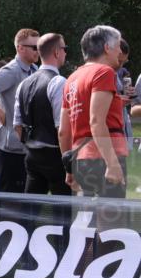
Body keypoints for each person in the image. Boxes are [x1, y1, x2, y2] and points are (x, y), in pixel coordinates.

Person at [59, 25, 128, 198]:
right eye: (118, 46)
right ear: (107, 47)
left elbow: (63, 131)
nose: (120, 52)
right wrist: (112, 164)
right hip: (105, 157)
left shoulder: (72, 79)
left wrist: (70, 169)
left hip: (80, 159)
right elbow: (96, 121)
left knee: (90, 217)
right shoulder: (104, 72)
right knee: (113, 221)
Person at [0, 28, 40, 193]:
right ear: (20, 48)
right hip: (11, 149)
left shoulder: (35, 70)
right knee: (9, 205)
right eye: (34, 47)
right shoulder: (13, 70)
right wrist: (1, 114)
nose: (38, 51)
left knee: (26, 203)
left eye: (39, 47)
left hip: (26, 147)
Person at [13, 33, 70, 195]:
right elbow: (62, 128)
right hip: (55, 156)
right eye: (65, 49)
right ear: (57, 52)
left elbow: (17, 125)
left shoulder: (24, 83)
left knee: (30, 210)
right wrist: (68, 159)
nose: (66, 53)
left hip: (32, 154)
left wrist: (30, 146)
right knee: (63, 212)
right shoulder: (59, 82)